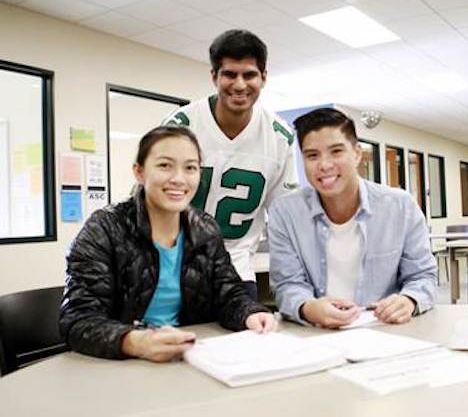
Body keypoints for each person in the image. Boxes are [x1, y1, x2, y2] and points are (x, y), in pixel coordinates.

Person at [60, 126, 277, 362]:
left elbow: (229, 294)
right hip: (121, 361)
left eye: (190, 168)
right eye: (165, 165)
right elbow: (78, 318)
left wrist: (251, 313)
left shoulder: (205, 229)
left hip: (190, 358)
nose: (178, 179)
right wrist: (134, 342)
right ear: (140, 172)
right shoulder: (105, 228)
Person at [269, 108, 437, 329]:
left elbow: (423, 276)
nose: (324, 165)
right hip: (315, 334)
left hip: (385, 330)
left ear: (357, 153)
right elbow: (287, 284)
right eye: (312, 155)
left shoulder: (400, 206)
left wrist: (409, 300)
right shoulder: (285, 212)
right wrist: (308, 308)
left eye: (336, 151)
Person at [164, 29, 297, 300]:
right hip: (175, 269)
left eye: (249, 75)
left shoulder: (278, 136)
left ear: (264, 78)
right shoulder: (180, 126)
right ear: (214, 76)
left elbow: (286, 217)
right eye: (229, 74)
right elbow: (150, 202)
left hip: (237, 272)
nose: (239, 85)